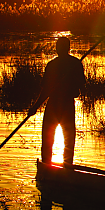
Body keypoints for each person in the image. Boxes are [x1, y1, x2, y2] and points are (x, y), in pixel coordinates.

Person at [28, 37, 85, 167]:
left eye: (60, 47)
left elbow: (80, 85)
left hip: (64, 106)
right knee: (49, 141)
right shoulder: (55, 65)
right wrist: (35, 107)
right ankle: (48, 166)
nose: (59, 49)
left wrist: (70, 81)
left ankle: (65, 168)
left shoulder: (73, 64)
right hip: (56, 106)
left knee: (68, 141)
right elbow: (47, 89)